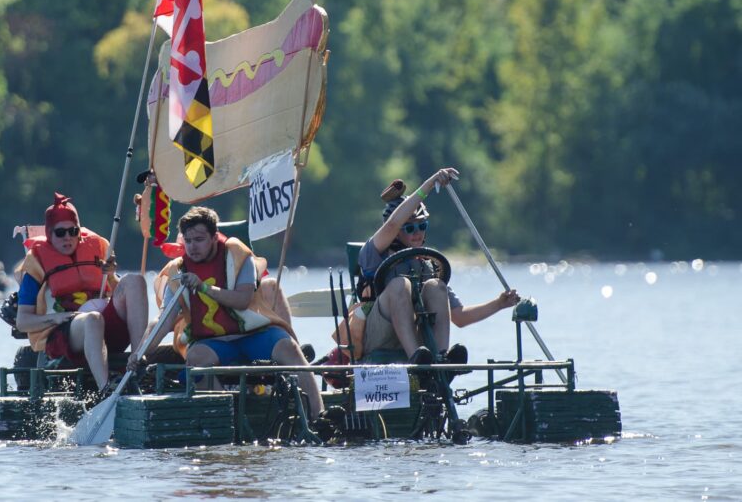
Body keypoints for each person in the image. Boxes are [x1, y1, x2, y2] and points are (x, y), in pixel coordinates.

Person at [132, 206, 325, 422]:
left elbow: (242, 300)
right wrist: (140, 353)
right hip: (214, 342)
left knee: (289, 347)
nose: (193, 246)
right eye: (188, 240)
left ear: (214, 237)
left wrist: (204, 288)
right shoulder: (177, 271)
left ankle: (318, 417)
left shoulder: (238, 256)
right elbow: (164, 321)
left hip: (251, 336)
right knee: (196, 359)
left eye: (199, 239)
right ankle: (230, 419)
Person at [338, 167, 520, 368]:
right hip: (377, 336)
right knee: (400, 284)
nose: (417, 233)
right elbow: (392, 225)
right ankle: (417, 359)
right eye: (409, 228)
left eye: (422, 226)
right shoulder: (373, 253)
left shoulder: (430, 264)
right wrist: (430, 184)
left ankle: (440, 361)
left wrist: (499, 303)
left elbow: (459, 317)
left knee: (435, 285)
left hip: (419, 339)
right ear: (397, 232)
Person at [13, 193, 149, 393]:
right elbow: (22, 321)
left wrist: (111, 275)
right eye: (60, 233)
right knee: (92, 319)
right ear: (50, 235)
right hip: (66, 335)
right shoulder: (37, 262)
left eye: (73, 231)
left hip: (106, 328)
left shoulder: (97, 248)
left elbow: (117, 294)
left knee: (135, 281)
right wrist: (58, 317)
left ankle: (138, 358)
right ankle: (106, 389)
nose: (67, 237)